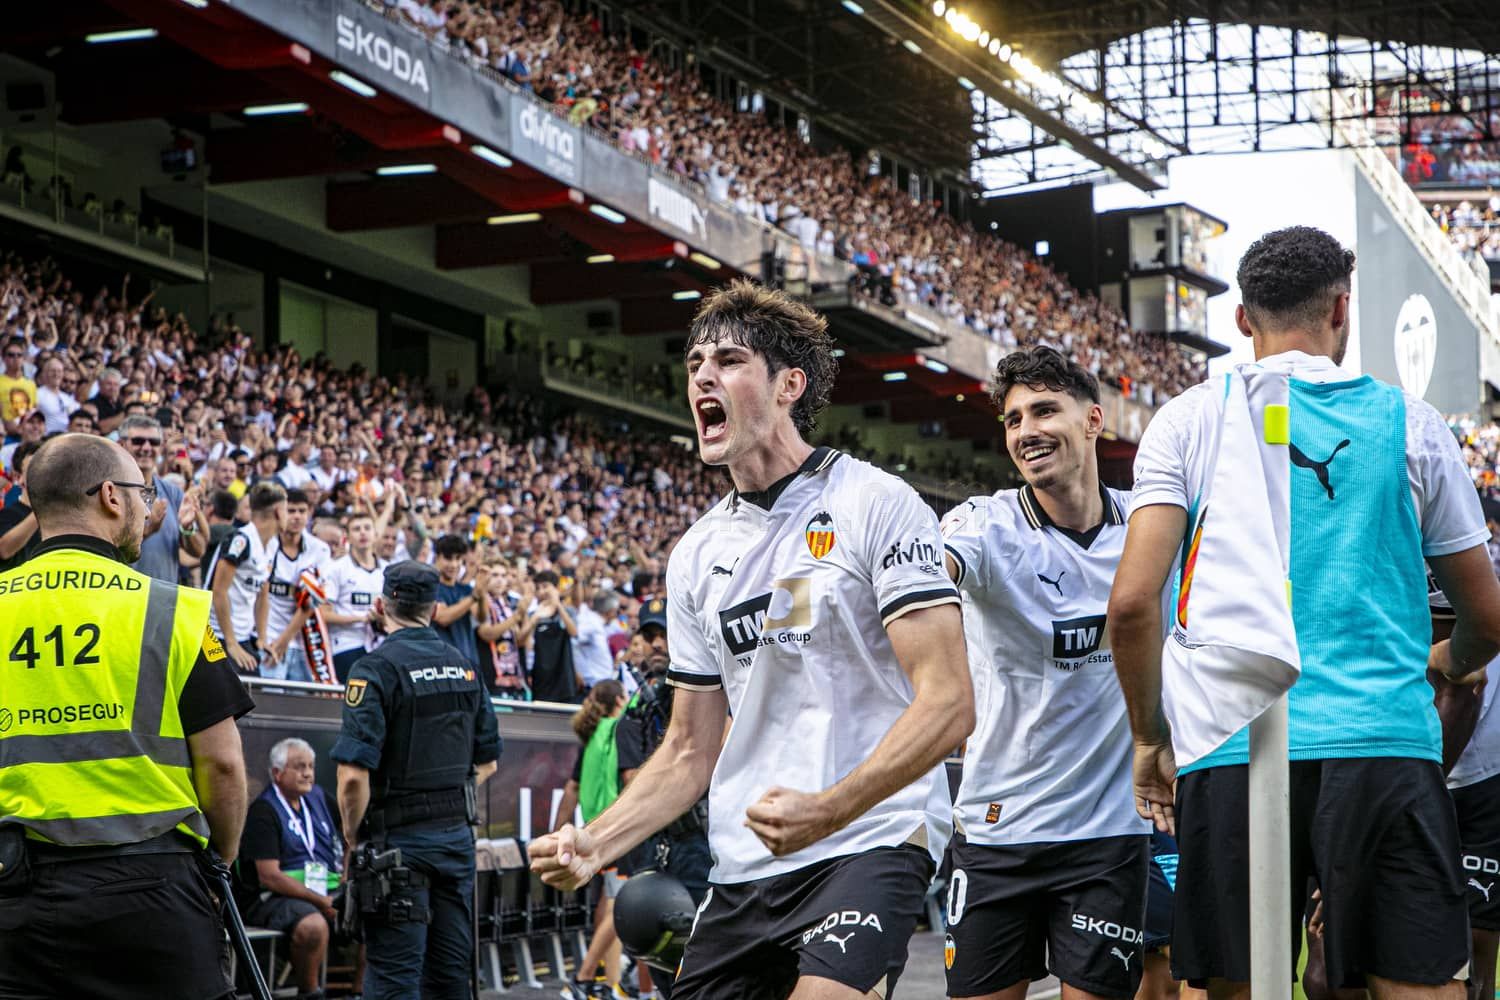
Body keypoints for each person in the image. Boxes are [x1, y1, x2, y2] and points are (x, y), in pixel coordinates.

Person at [529, 280, 974, 999]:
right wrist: (596, 842)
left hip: (869, 840)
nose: (702, 376)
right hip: (744, 866)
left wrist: (829, 807)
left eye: (729, 360)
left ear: (790, 384)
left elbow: (950, 702)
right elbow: (688, 750)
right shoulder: (697, 554)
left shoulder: (876, 502)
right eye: (695, 362)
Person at [1109, 226, 1500, 996]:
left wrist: (1150, 735)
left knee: (1225, 984)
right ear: (1343, 309)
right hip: (1383, 742)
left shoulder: (1185, 420)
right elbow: (1486, 616)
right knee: (1417, 984)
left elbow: (1130, 605)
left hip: (1231, 744)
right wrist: (1447, 662)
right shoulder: (1412, 424)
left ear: (1242, 320)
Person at [0, 432, 253, 999]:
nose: (147, 507)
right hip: (153, 896)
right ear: (111, 497)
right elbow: (224, 767)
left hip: (14, 901)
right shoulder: (174, 610)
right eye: (143, 492)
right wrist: (221, 864)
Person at [938, 346, 1148, 1000]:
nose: (1026, 430)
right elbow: (930, 573)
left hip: (1108, 835)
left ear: (1094, 419)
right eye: (1012, 419)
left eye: (1044, 410)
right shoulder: (983, 525)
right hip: (998, 831)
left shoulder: (1148, 528)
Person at [332, 560, 502, 1000]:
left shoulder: (374, 669)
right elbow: (488, 764)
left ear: (381, 604)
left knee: (394, 981)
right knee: (450, 978)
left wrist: (353, 834)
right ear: (433, 606)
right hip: (454, 844)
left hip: (396, 847)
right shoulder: (465, 667)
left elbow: (353, 777)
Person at [238, 738, 345, 1000]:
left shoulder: (320, 797)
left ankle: (357, 992)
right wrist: (321, 900)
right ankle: (309, 993)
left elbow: (352, 833)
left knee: (373, 911)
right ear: (277, 773)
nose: (308, 773)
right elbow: (270, 877)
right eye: (299, 767)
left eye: (310, 766)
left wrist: (346, 878)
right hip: (275, 898)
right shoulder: (264, 811)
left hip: (327, 892)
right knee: (313, 926)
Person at [556, 680, 631, 999]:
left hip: (592, 830)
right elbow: (630, 779)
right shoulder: (621, 729)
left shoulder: (591, 737)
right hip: (620, 829)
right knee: (621, 906)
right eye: (626, 695)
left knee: (607, 904)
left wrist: (559, 828)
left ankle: (611, 983)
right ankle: (584, 977)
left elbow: (572, 788)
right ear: (618, 700)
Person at [206, 480, 286, 675]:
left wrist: (261, 637)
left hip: (243, 635)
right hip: (215, 634)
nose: (289, 517)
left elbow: (263, 594)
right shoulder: (241, 539)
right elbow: (218, 592)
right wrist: (231, 643)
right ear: (277, 511)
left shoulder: (273, 545)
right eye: (287, 510)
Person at [120, 414, 208, 583]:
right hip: (123, 600)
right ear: (122, 445)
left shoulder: (172, 493)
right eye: (138, 441)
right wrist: (147, 530)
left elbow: (199, 551)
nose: (146, 448)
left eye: (153, 442)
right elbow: (106, 549)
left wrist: (187, 529)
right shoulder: (110, 491)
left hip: (162, 600)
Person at [264, 488, 333, 682]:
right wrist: (271, 641)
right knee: (271, 700)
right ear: (280, 512)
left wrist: (284, 640)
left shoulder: (319, 549)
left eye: (302, 511)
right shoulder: (267, 544)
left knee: (305, 706)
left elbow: (312, 601)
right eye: (291, 511)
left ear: (310, 512)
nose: (296, 517)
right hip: (268, 639)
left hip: (307, 641)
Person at [322, 510, 388, 681]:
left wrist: (380, 619)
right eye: (357, 529)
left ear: (376, 534)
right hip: (346, 645)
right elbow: (324, 614)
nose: (363, 533)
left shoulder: (387, 571)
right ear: (348, 537)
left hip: (380, 647)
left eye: (367, 528)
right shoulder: (336, 569)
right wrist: (361, 619)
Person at [431, 533, 488, 671]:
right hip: (443, 665)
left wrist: (482, 591)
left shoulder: (465, 589)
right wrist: (474, 596)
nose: (454, 564)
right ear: (437, 558)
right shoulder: (432, 588)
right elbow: (442, 617)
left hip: (469, 663)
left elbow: (481, 617)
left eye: (458, 559)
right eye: (448, 559)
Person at [523, 568, 579, 703]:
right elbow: (527, 643)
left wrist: (558, 605)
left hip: (564, 678)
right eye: (538, 588)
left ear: (556, 588)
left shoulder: (568, 611)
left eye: (546, 586)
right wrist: (534, 619)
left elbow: (573, 632)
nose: (542, 591)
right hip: (541, 678)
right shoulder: (533, 615)